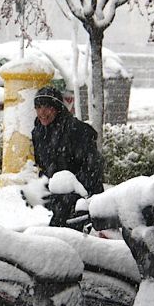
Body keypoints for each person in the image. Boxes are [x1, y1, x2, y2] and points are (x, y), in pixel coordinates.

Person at [31, 85, 104, 227]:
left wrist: (76, 191)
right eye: (38, 107)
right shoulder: (39, 133)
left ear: (57, 108)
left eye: (47, 107)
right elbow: (43, 165)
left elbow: (93, 166)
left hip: (83, 198)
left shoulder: (76, 130)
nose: (42, 112)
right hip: (59, 197)